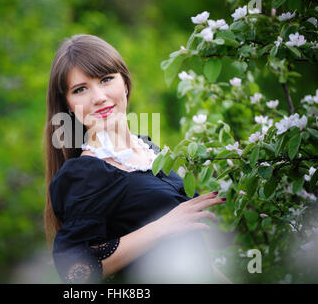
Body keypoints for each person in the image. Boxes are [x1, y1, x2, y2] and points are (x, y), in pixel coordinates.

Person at [44, 34, 231, 283]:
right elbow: (75, 272)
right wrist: (162, 227)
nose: (98, 97)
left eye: (106, 79)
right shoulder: (86, 173)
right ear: (68, 104)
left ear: (125, 84)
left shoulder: (150, 151)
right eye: (80, 89)